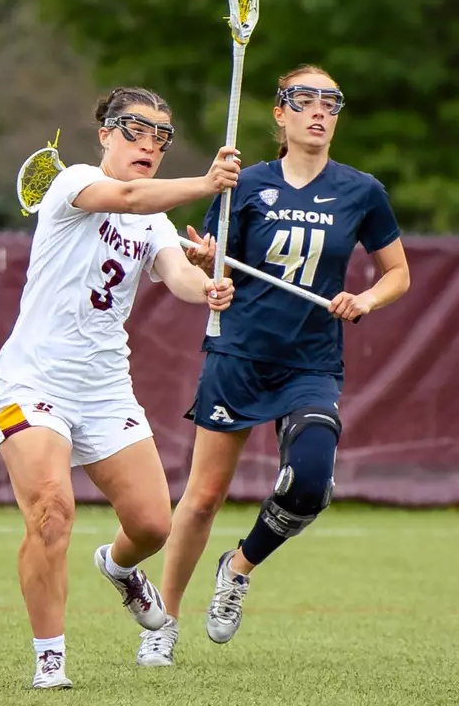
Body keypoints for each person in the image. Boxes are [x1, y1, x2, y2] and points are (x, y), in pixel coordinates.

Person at [137, 65, 411, 667]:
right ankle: (165, 620)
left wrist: (365, 299)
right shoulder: (244, 184)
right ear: (279, 114)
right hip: (238, 356)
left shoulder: (361, 191)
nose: (319, 111)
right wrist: (212, 264)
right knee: (203, 497)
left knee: (311, 482)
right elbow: (218, 272)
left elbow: (398, 273)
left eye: (331, 102)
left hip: (310, 363)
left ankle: (238, 567)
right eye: (304, 100)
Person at [0, 86, 242, 690]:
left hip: (105, 392)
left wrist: (206, 283)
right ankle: (50, 659)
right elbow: (125, 195)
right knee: (52, 511)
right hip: (34, 380)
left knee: (155, 525)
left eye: (161, 137)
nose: (148, 145)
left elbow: (177, 274)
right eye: (135, 130)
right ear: (105, 134)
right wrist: (206, 184)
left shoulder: (153, 223)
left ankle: (120, 569)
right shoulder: (73, 182)